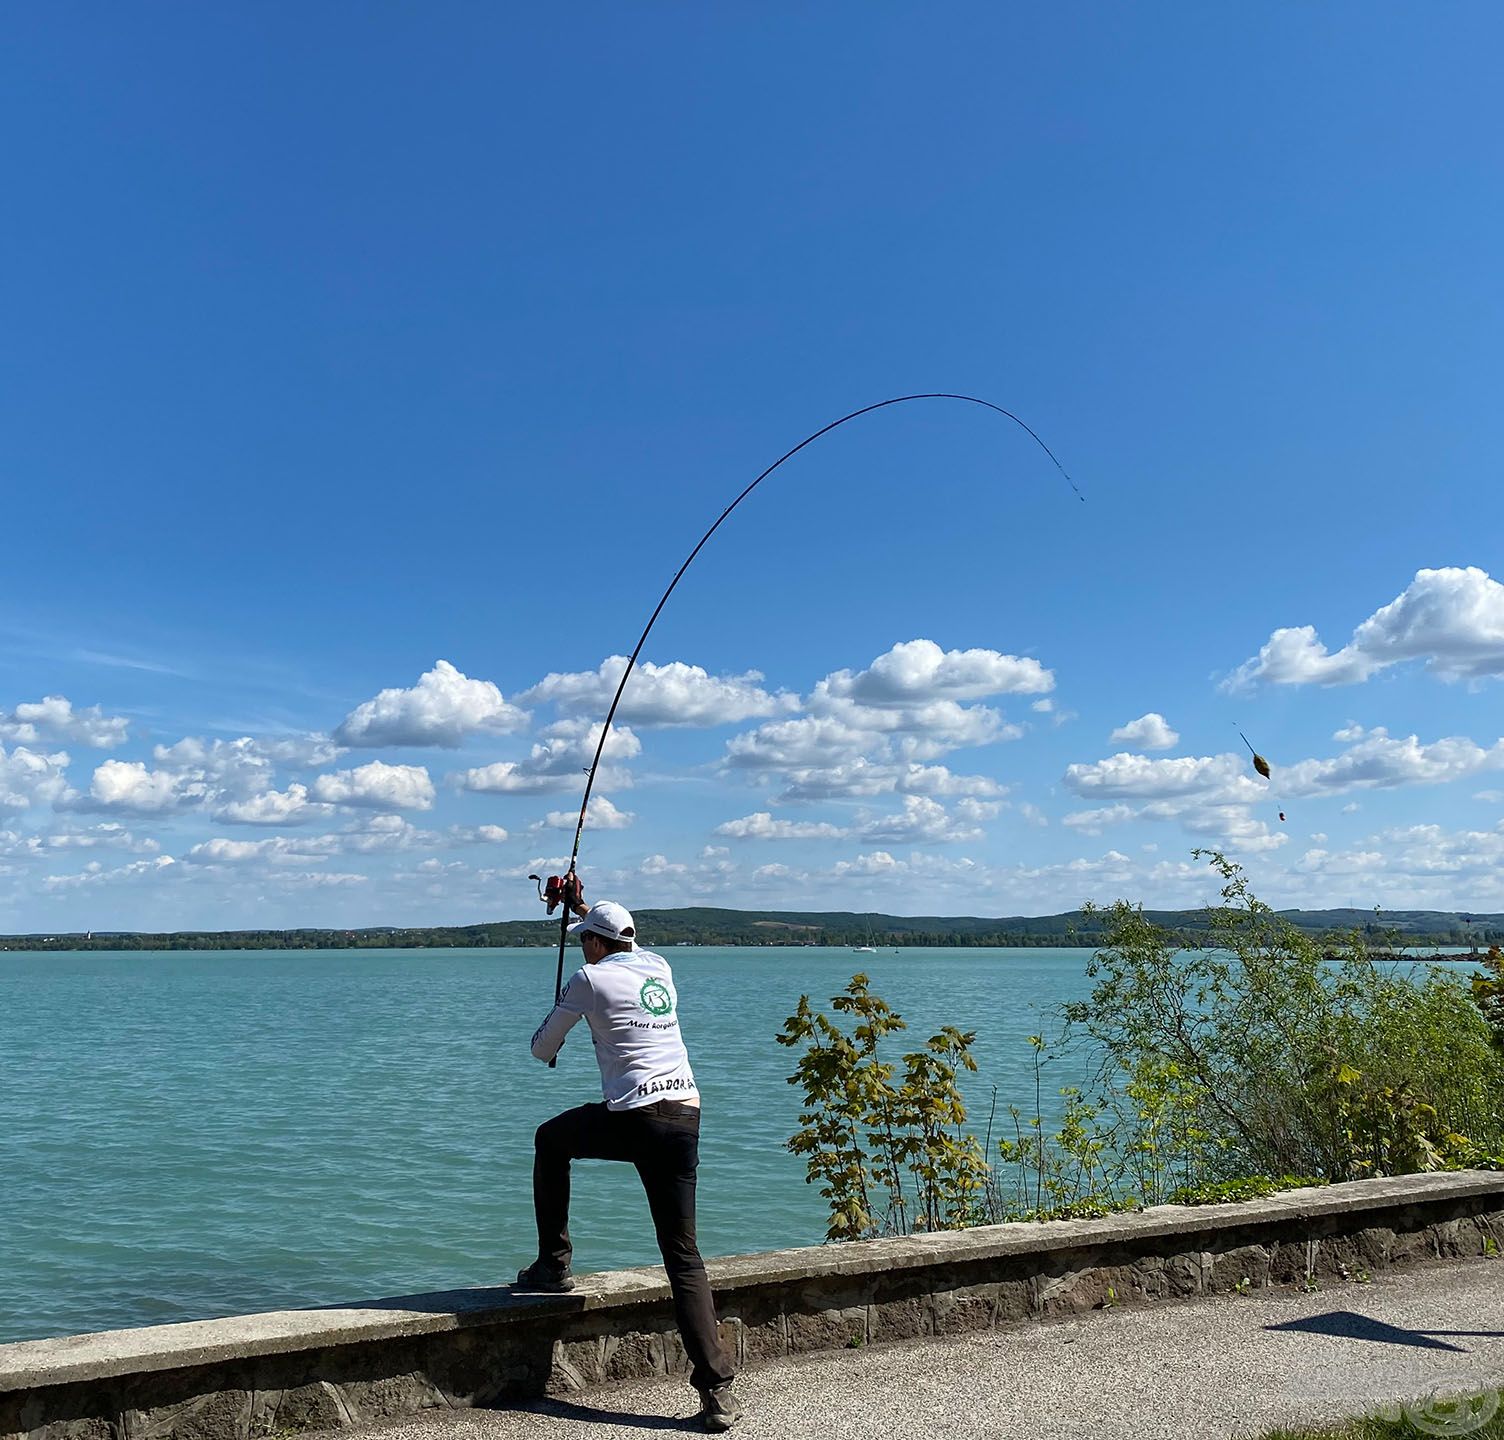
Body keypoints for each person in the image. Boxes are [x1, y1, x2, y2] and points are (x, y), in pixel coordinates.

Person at [519, 896, 743, 1433]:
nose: (583, 949)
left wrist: (558, 1023)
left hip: (634, 1117)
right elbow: (622, 940)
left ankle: (554, 1265)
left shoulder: (587, 980)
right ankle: (717, 1392)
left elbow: (539, 1048)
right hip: (685, 1113)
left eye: (583, 940)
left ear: (595, 944)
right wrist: (580, 902)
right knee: (683, 1255)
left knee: (551, 1140)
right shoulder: (658, 967)